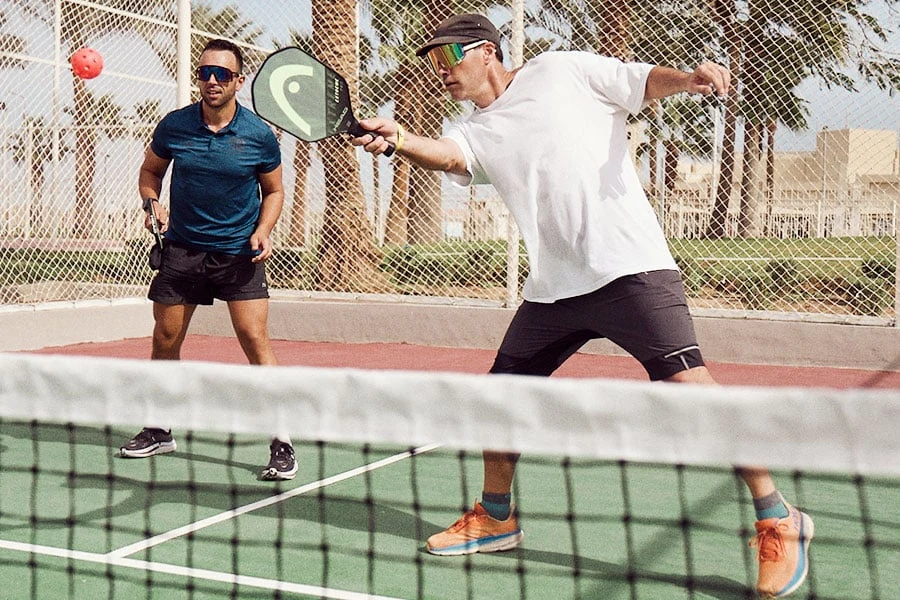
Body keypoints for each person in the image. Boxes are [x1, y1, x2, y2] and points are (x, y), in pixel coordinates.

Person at [351, 13, 813, 599]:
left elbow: (639, 82)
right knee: (501, 395)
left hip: (629, 268)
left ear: (487, 51)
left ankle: (778, 518)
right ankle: (496, 516)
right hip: (553, 289)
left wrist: (690, 77)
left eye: (449, 58)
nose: (440, 71)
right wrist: (395, 138)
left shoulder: (560, 69)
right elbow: (450, 156)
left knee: (691, 389)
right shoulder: (478, 127)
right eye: (433, 61)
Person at [119, 38, 298, 482]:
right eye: (205, 73)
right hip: (182, 250)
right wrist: (150, 202)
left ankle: (283, 441)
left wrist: (263, 229)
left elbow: (273, 191)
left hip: (239, 253)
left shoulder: (258, 134)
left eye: (222, 74)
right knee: (165, 338)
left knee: (255, 341)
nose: (212, 81)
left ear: (239, 80)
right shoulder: (175, 126)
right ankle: (160, 428)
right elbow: (150, 172)